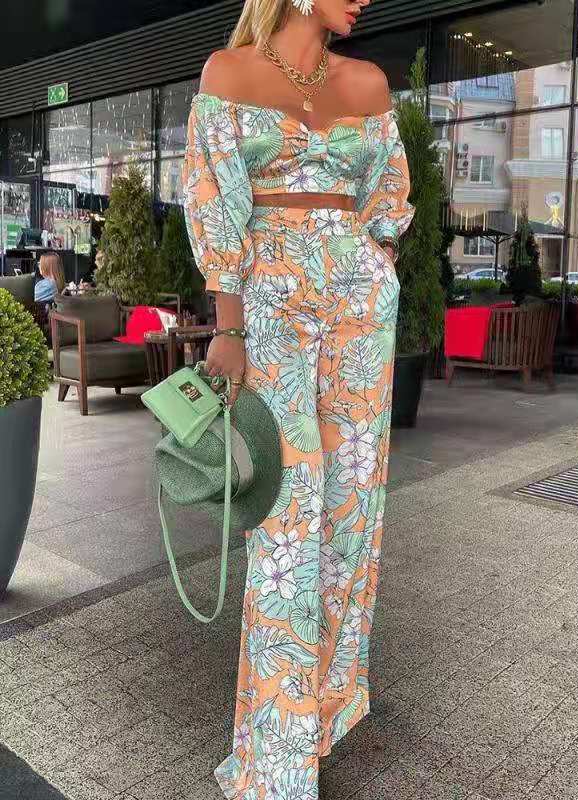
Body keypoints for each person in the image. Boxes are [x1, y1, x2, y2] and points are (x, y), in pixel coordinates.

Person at [182, 0, 415, 797]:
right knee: (285, 523)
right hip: (269, 302)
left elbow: (387, 200)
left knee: (352, 515)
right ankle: (273, 761)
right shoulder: (229, 72)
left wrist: (373, 270)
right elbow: (214, 200)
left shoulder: (368, 82)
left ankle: (318, 718)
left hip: (359, 302)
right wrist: (229, 324)